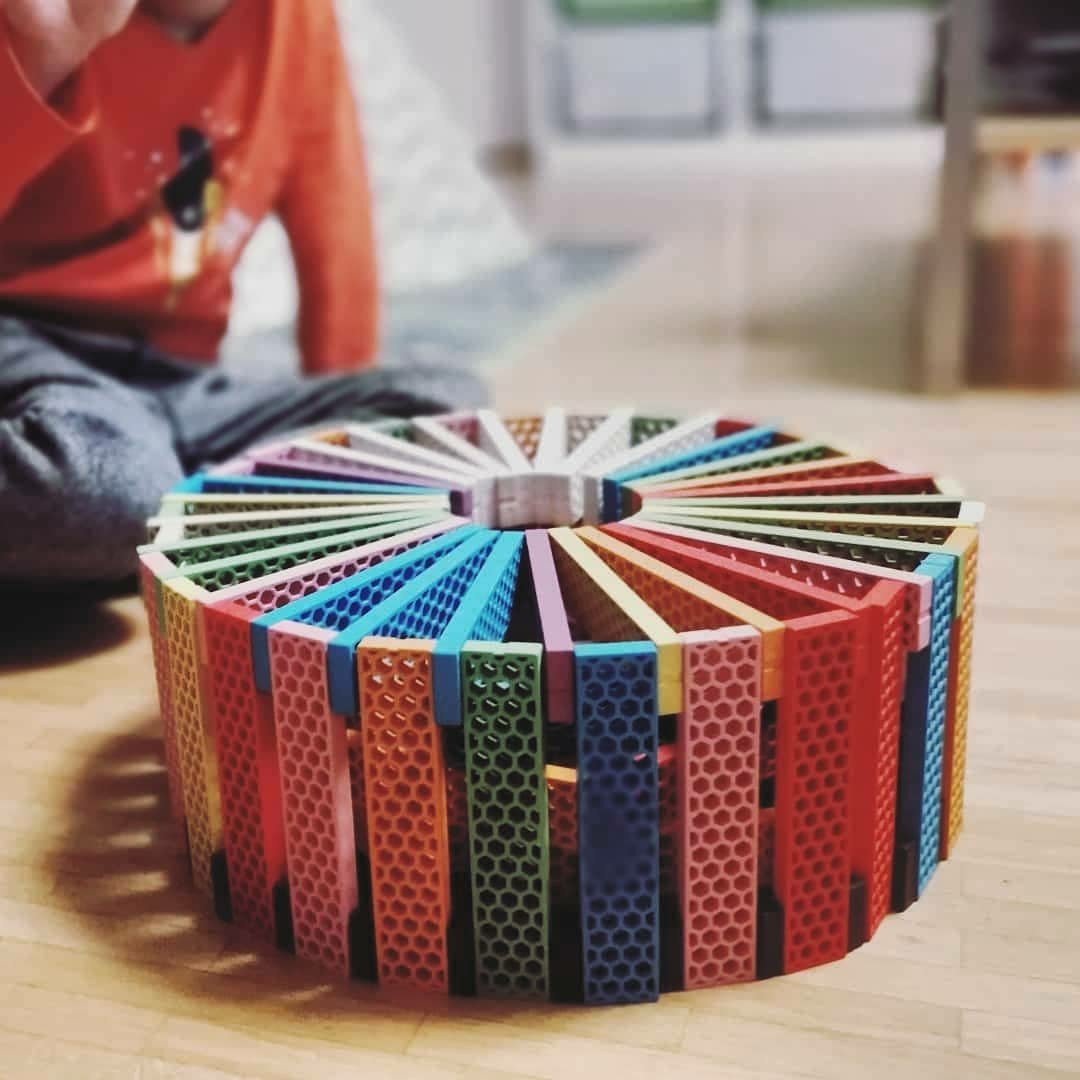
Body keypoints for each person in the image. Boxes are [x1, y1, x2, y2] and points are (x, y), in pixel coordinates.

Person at [0, 0, 486, 585]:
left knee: (446, 412)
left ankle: (154, 503)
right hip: (34, 346)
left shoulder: (298, 19)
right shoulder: (45, 17)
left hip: (185, 386)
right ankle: (146, 502)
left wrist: (349, 448)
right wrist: (43, 57)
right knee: (106, 486)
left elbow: (335, 228)